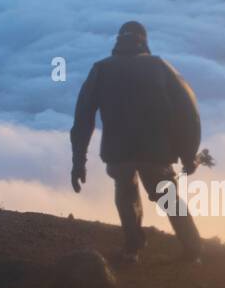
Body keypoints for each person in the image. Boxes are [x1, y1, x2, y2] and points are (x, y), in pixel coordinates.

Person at [70, 21, 202, 263]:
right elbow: (189, 113)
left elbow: (82, 119)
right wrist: (188, 154)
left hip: (117, 153)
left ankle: (132, 249)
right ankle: (193, 250)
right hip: (157, 153)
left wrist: (78, 162)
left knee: (125, 193)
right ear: (144, 40)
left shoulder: (101, 69)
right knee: (168, 197)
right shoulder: (160, 67)